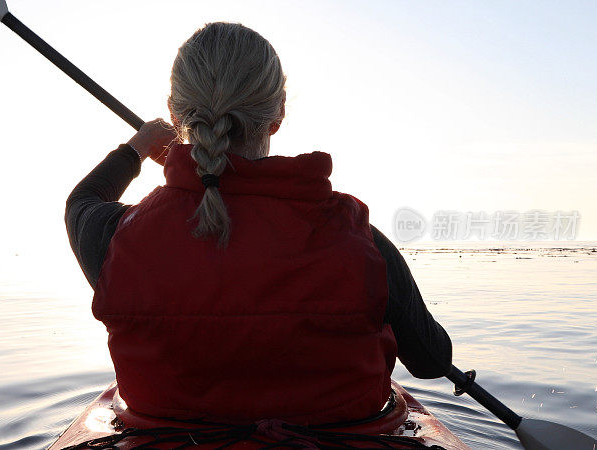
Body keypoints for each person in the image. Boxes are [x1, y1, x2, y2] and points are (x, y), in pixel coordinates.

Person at [65, 22, 451, 426]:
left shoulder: (116, 239)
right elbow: (430, 360)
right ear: (278, 112)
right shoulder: (364, 243)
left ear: (175, 112)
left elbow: (82, 202)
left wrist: (138, 148)